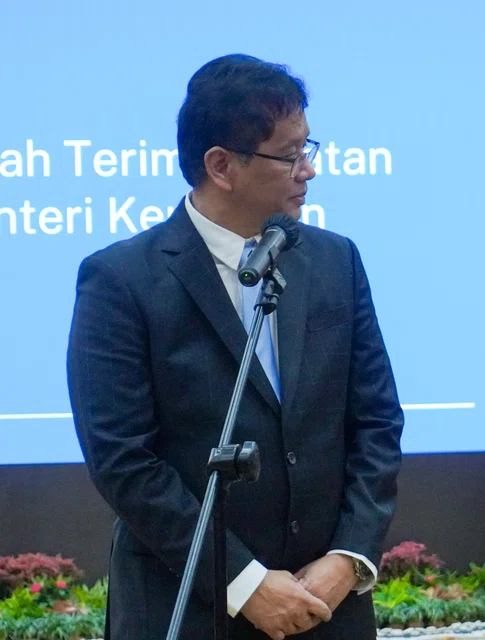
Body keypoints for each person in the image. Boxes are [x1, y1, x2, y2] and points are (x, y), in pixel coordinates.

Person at [67, 55, 404, 640]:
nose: (309, 170)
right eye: (290, 153)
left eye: (310, 147)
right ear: (221, 166)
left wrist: (348, 559)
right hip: (190, 607)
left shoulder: (335, 261)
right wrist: (244, 583)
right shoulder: (120, 280)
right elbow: (123, 459)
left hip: (325, 604)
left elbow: (376, 421)